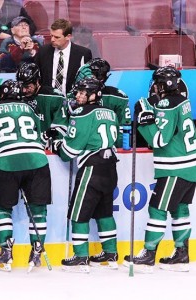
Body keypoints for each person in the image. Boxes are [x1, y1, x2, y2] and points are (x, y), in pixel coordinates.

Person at [123, 66, 196, 273]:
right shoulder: (183, 101)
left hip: (175, 167)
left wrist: (143, 122)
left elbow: (159, 140)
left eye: (157, 83)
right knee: (180, 209)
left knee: (157, 209)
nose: (155, 88)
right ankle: (182, 254)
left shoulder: (166, 104)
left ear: (163, 85)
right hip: (192, 165)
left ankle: (149, 254)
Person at [51, 77, 119, 273]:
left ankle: (81, 257)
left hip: (92, 169)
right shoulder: (111, 113)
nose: (79, 95)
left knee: (77, 214)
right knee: (104, 212)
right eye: (78, 91)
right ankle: (110, 253)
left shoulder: (81, 113)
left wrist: (57, 146)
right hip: (110, 168)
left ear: (95, 94)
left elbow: (69, 151)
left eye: (83, 92)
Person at [0, 79, 52, 272]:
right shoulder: (29, 109)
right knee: (39, 210)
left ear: (1, 95)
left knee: (3, 209)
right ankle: (37, 251)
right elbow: (40, 138)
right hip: (37, 161)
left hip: (7, 162)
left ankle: (6, 253)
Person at [73, 58, 132, 149]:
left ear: (101, 77)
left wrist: (120, 150)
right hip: (86, 150)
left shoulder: (118, 97)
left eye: (90, 74)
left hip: (101, 152)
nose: (86, 76)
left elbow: (124, 130)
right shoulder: (76, 95)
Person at [35, 18, 92, 96]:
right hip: (48, 100)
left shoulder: (83, 54)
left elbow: (87, 81)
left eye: (57, 37)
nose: (52, 39)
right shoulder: (43, 52)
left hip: (73, 100)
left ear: (68, 37)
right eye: (51, 36)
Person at [16, 62, 68, 144]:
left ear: (37, 81)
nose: (24, 90)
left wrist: (46, 139)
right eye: (22, 87)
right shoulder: (16, 96)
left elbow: (61, 128)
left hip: (47, 151)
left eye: (27, 87)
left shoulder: (55, 97)